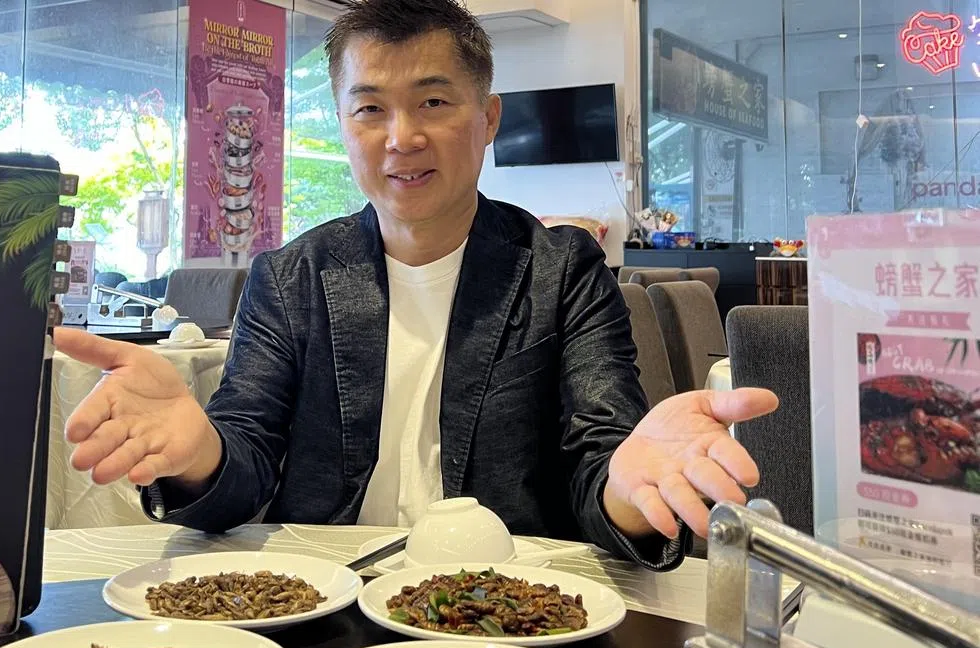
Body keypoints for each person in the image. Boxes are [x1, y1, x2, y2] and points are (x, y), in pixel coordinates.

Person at [53, 0, 777, 571]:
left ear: (488, 118)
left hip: (504, 606)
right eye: (370, 108)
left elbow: (601, 462)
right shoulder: (292, 275)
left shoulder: (562, 270)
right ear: (343, 125)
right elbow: (245, 460)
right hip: (323, 599)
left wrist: (627, 488)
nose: (401, 137)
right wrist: (198, 452)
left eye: (433, 102)